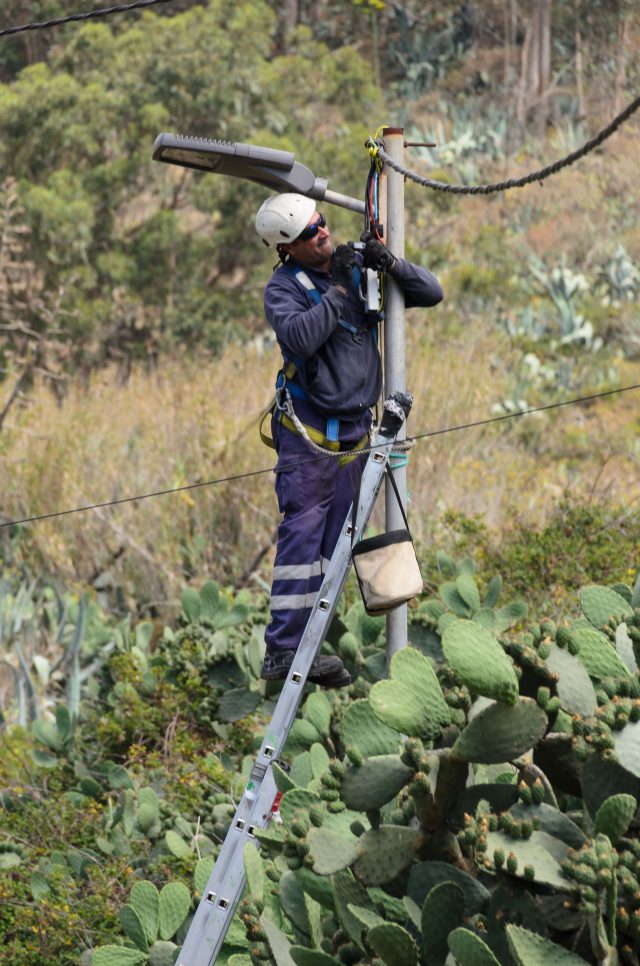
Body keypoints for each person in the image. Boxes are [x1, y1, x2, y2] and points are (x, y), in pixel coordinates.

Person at [255, 192, 443, 687]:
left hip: (357, 439)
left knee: (337, 545)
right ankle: (282, 651)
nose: (322, 232)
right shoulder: (285, 288)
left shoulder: (356, 266)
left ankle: (309, 647)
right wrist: (338, 291)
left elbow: (431, 292)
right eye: (309, 232)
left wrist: (390, 263)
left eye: (321, 223)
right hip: (310, 440)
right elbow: (298, 337)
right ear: (286, 248)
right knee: (302, 541)